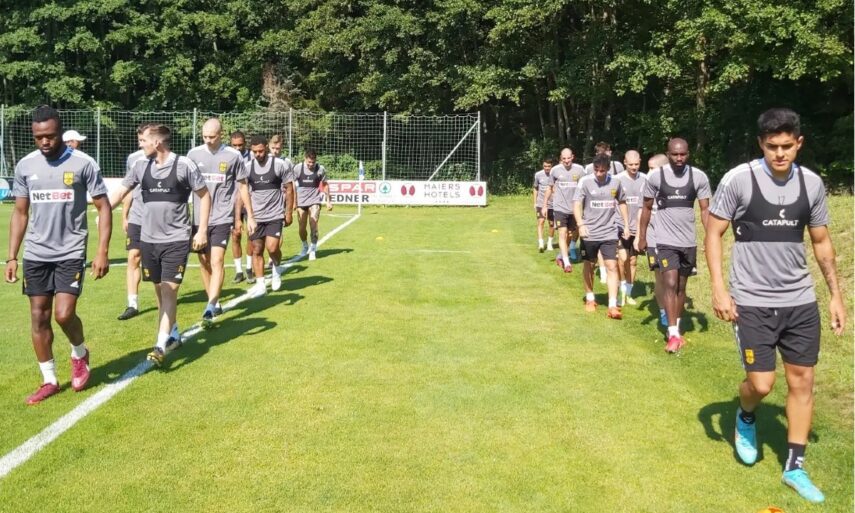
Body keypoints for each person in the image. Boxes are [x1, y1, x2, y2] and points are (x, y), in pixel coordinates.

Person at [705, 108, 845, 504]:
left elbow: (821, 241)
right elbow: (713, 233)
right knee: (762, 384)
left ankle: (795, 467)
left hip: (799, 300)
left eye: (786, 146)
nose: (779, 154)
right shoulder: (739, 180)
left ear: (799, 143)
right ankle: (746, 413)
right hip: (751, 300)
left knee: (802, 381)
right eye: (771, 147)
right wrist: (719, 288)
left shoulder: (812, 184)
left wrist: (835, 295)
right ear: (760, 144)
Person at [5, 106, 111, 404]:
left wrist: (102, 251)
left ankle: (79, 353)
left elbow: (103, 207)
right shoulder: (25, 166)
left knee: (63, 314)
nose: (45, 141)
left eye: (50, 136)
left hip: (70, 251)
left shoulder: (82, 163)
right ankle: (49, 380)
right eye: (39, 137)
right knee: (38, 317)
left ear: (60, 133)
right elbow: (20, 212)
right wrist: (12, 256)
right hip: (36, 253)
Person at [109, 124, 211, 366]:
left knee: (168, 290)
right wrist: (99, 211)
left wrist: (202, 230)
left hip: (176, 240)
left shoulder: (184, 165)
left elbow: (204, 195)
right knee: (159, 290)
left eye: (143, 141)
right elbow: (119, 193)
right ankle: (172, 333)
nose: (140, 144)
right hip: (148, 240)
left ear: (157, 143)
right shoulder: (140, 165)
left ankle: (160, 344)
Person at [637, 137, 711, 352]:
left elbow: (705, 210)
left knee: (681, 286)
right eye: (675, 154)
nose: (679, 158)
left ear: (688, 154)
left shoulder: (698, 177)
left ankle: (676, 327)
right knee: (669, 283)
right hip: (665, 240)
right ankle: (672, 333)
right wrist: (642, 236)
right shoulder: (656, 177)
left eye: (683, 154)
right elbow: (646, 208)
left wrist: (710, 238)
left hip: (688, 241)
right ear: (668, 154)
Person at [187, 119, 255, 326]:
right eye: (205, 137)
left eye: (212, 137)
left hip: (222, 217)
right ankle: (213, 300)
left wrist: (250, 216)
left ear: (221, 135)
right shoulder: (193, 155)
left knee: (216, 260)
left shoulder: (233, 156)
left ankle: (210, 305)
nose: (208, 140)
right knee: (204, 261)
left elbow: (243, 186)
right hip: (198, 218)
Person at [573, 154, 629, 319]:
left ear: (608, 169)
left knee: (612, 266)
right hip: (589, 232)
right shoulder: (585, 181)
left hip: (609, 232)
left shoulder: (616, 182)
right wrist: (581, 225)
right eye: (596, 170)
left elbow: (622, 202)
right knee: (589, 265)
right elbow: (576, 204)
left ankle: (612, 305)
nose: (598, 173)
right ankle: (590, 297)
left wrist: (625, 225)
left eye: (602, 171)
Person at [245, 135, 295, 297]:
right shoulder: (247, 167)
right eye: (254, 152)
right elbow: (242, 192)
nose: (258, 154)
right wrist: (240, 216)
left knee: (272, 248)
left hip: (275, 214)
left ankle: (276, 270)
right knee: (256, 249)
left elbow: (289, 189)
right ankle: (261, 284)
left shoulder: (280, 165)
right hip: (256, 217)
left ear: (266, 147)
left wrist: (288, 212)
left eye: (260, 151)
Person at [117, 122, 154, 320]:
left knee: (156, 262)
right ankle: (132, 303)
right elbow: (129, 188)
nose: (140, 144)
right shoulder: (133, 159)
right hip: (137, 217)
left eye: (143, 140)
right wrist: (125, 215)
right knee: (133, 256)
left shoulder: (168, 159)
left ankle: (165, 298)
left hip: (157, 220)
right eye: (139, 140)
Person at [585, 142, 625, 283]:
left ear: (610, 152)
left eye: (606, 152)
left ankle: (615, 275)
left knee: (613, 246)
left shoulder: (617, 166)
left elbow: (621, 192)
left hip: (614, 212)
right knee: (600, 242)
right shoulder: (588, 169)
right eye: (600, 153)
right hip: (595, 214)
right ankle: (603, 271)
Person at [640, 153, 670, 326]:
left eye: (653, 169)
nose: (649, 172)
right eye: (648, 168)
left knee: (673, 278)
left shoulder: (674, 184)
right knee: (660, 276)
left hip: (672, 238)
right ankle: (663, 311)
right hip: (653, 237)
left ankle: (674, 311)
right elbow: (642, 210)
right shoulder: (647, 184)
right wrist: (640, 236)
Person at [614, 150, 646, 306]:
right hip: (620, 225)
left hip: (637, 227)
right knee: (622, 259)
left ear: (640, 162)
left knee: (633, 261)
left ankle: (629, 293)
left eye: (636, 164)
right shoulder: (617, 180)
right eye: (631, 164)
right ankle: (620, 291)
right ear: (625, 162)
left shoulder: (645, 179)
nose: (634, 167)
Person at [293, 150, 331, 261]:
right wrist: (294, 202)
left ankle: (313, 250)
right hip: (301, 202)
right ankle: (305, 246)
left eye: (313, 162)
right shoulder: (298, 168)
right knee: (302, 228)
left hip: (315, 200)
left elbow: (325, 185)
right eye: (309, 162)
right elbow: (291, 184)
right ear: (305, 159)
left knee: (314, 225)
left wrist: (328, 201)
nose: (311, 164)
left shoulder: (320, 169)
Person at [229, 130, 254, 283]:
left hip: (250, 202)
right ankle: (239, 271)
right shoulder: (227, 156)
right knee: (236, 235)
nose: (238, 148)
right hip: (232, 202)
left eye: (240, 145)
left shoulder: (252, 156)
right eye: (235, 145)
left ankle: (249, 268)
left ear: (245, 143)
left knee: (252, 235)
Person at [532, 157, 556, 252]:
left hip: (552, 204)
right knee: (541, 221)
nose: (547, 168)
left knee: (551, 224)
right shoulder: (538, 175)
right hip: (541, 203)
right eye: (545, 166)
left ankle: (549, 243)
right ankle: (541, 243)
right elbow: (535, 188)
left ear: (551, 166)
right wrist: (535, 202)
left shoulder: (555, 175)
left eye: (548, 166)